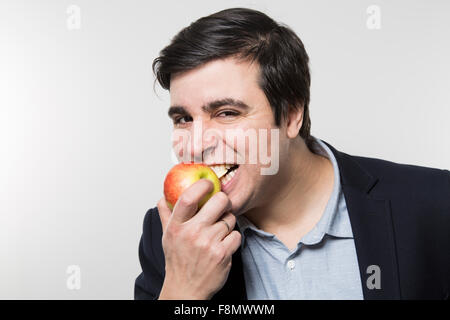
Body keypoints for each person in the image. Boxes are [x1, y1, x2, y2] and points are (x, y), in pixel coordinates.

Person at [134, 8, 450, 300]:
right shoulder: (171, 237)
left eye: (227, 113)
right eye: (184, 119)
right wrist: (182, 291)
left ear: (290, 114)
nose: (195, 145)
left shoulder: (435, 204)